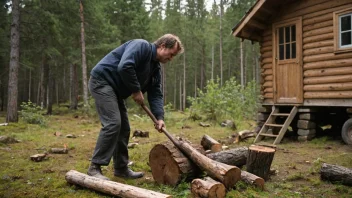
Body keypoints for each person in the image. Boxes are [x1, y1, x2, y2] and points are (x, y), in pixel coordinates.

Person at [87, 34, 184, 180]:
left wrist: (159, 117)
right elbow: (125, 66)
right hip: (102, 82)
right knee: (113, 123)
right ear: (163, 45)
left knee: (124, 128)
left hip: (116, 91)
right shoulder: (141, 46)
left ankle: (121, 168)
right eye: (171, 55)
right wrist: (136, 90)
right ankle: (95, 167)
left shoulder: (155, 68)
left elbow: (156, 93)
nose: (170, 59)